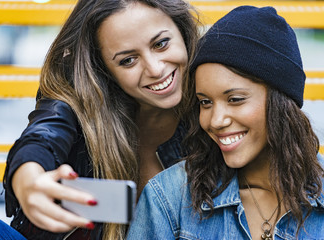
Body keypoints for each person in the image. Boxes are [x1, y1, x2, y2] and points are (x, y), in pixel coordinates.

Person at [2, 0, 200, 240]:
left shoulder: (213, 98)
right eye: (128, 60)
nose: (155, 69)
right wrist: (28, 178)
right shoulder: (79, 102)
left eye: (161, 44)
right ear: (104, 69)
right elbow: (44, 135)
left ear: (182, 31)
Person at [126, 6, 324, 239]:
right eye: (205, 102)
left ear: (281, 102)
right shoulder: (169, 197)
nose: (216, 121)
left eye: (235, 99)